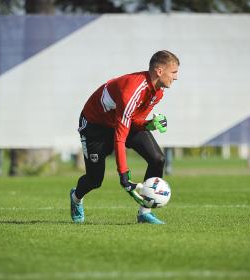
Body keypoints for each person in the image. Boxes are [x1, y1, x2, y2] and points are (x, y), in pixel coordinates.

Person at [70, 50, 179, 224]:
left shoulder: (157, 92)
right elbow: (120, 136)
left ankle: (145, 213)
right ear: (159, 71)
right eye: (174, 72)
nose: (176, 77)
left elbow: (134, 121)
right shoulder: (133, 90)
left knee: (157, 159)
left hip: (118, 121)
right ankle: (76, 198)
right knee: (95, 180)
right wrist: (124, 175)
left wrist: (149, 124)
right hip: (94, 126)